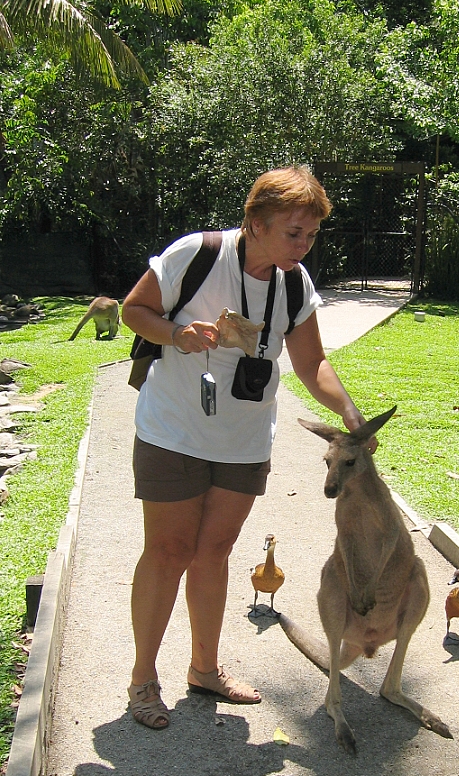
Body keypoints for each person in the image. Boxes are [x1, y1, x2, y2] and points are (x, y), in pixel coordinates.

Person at [121, 165, 372, 729]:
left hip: (244, 439)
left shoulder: (293, 283)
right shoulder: (196, 255)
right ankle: (142, 680)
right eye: (292, 232)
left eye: (310, 235)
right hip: (174, 431)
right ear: (254, 222)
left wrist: (348, 411)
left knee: (214, 551)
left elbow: (312, 362)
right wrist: (177, 334)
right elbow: (132, 310)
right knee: (168, 551)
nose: (303, 245)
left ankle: (204, 670)